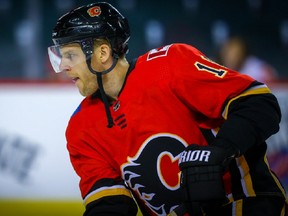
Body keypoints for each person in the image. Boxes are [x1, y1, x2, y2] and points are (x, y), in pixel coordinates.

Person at [47, 2, 287, 216]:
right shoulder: (81, 128)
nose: (64, 66)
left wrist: (220, 152)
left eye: (70, 55)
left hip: (247, 203)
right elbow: (109, 204)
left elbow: (259, 103)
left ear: (102, 52)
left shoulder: (168, 65)